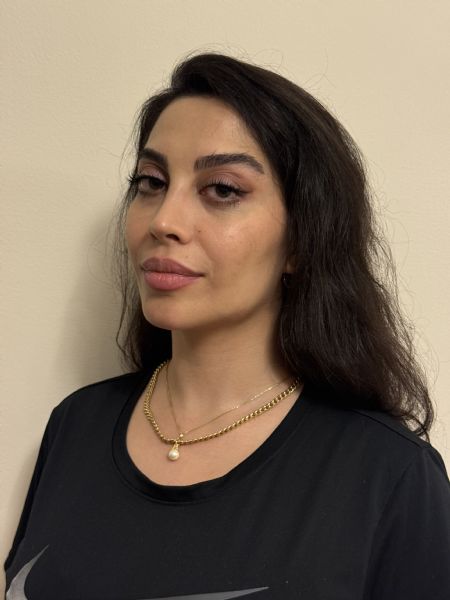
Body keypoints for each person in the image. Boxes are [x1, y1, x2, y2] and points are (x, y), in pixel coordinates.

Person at [4, 53, 450, 600]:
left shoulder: (390, 475)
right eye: (151, 182)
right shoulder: (76, 426)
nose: (164, 221)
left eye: (221, 189)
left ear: (302, 240)